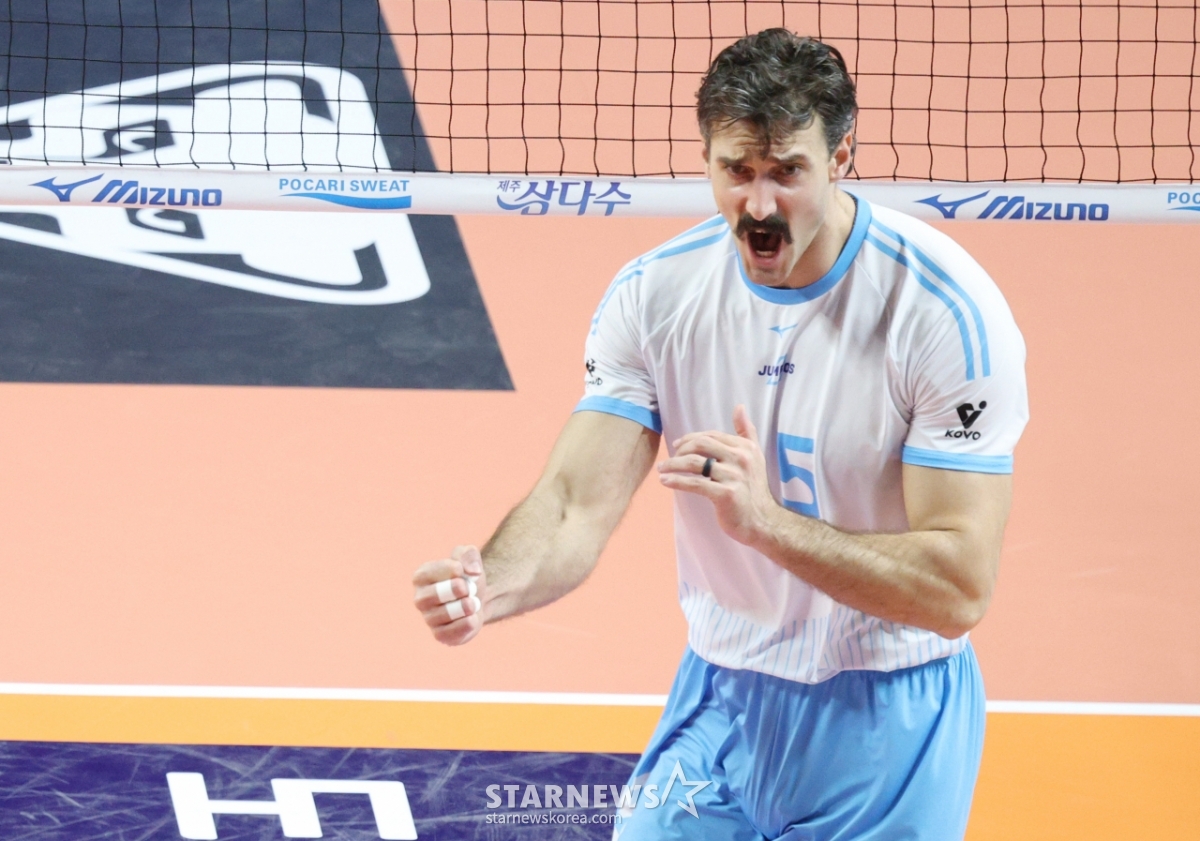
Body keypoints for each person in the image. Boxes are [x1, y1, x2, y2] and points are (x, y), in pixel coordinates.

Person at [412, 28, 1028, 841]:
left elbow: (958, 588)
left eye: (787, 172)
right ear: (706, 159)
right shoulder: (655, 296)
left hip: (889, 709)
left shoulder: (942, 314)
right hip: (723, 693)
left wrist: (766, 524)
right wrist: (488, 585)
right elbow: (572, 504)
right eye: (737, 170)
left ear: (841, 157)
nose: (760, 206)